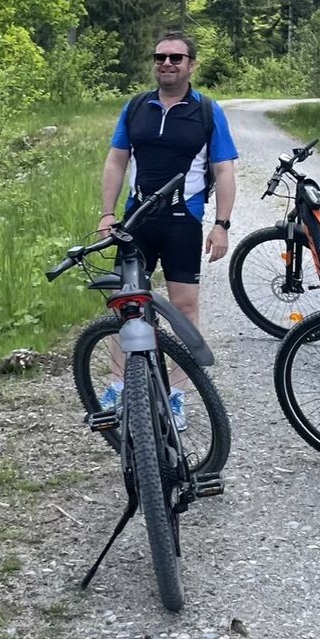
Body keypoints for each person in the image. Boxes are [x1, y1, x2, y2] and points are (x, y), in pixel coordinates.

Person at [96, 31, 238, 429]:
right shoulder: (136, 107)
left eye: (176, 57)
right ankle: (119, 385)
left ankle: (176, 394)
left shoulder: (207, 111)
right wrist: (107, 213)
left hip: (182, 220)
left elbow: (224, 170)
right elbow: (116, 159)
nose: (167, 64)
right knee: (125, 301)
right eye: (160, 57)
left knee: (184, 306)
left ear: (191, 64)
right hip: (136, 219)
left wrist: (221, 225)